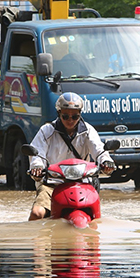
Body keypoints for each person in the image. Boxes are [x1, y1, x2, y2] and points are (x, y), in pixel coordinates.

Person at [28, 92, 116, 221]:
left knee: (96, 218)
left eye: (74, 116)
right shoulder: (46, 131)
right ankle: (37, 241)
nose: (70, 120)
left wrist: (106, 161)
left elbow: (99, 149)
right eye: (65, 116)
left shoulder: (88, 131)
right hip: (53, 183)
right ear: (59, 114)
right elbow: (37, 154)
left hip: (82, 183)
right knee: (37, 213)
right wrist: (37, 167)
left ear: (80, 115)